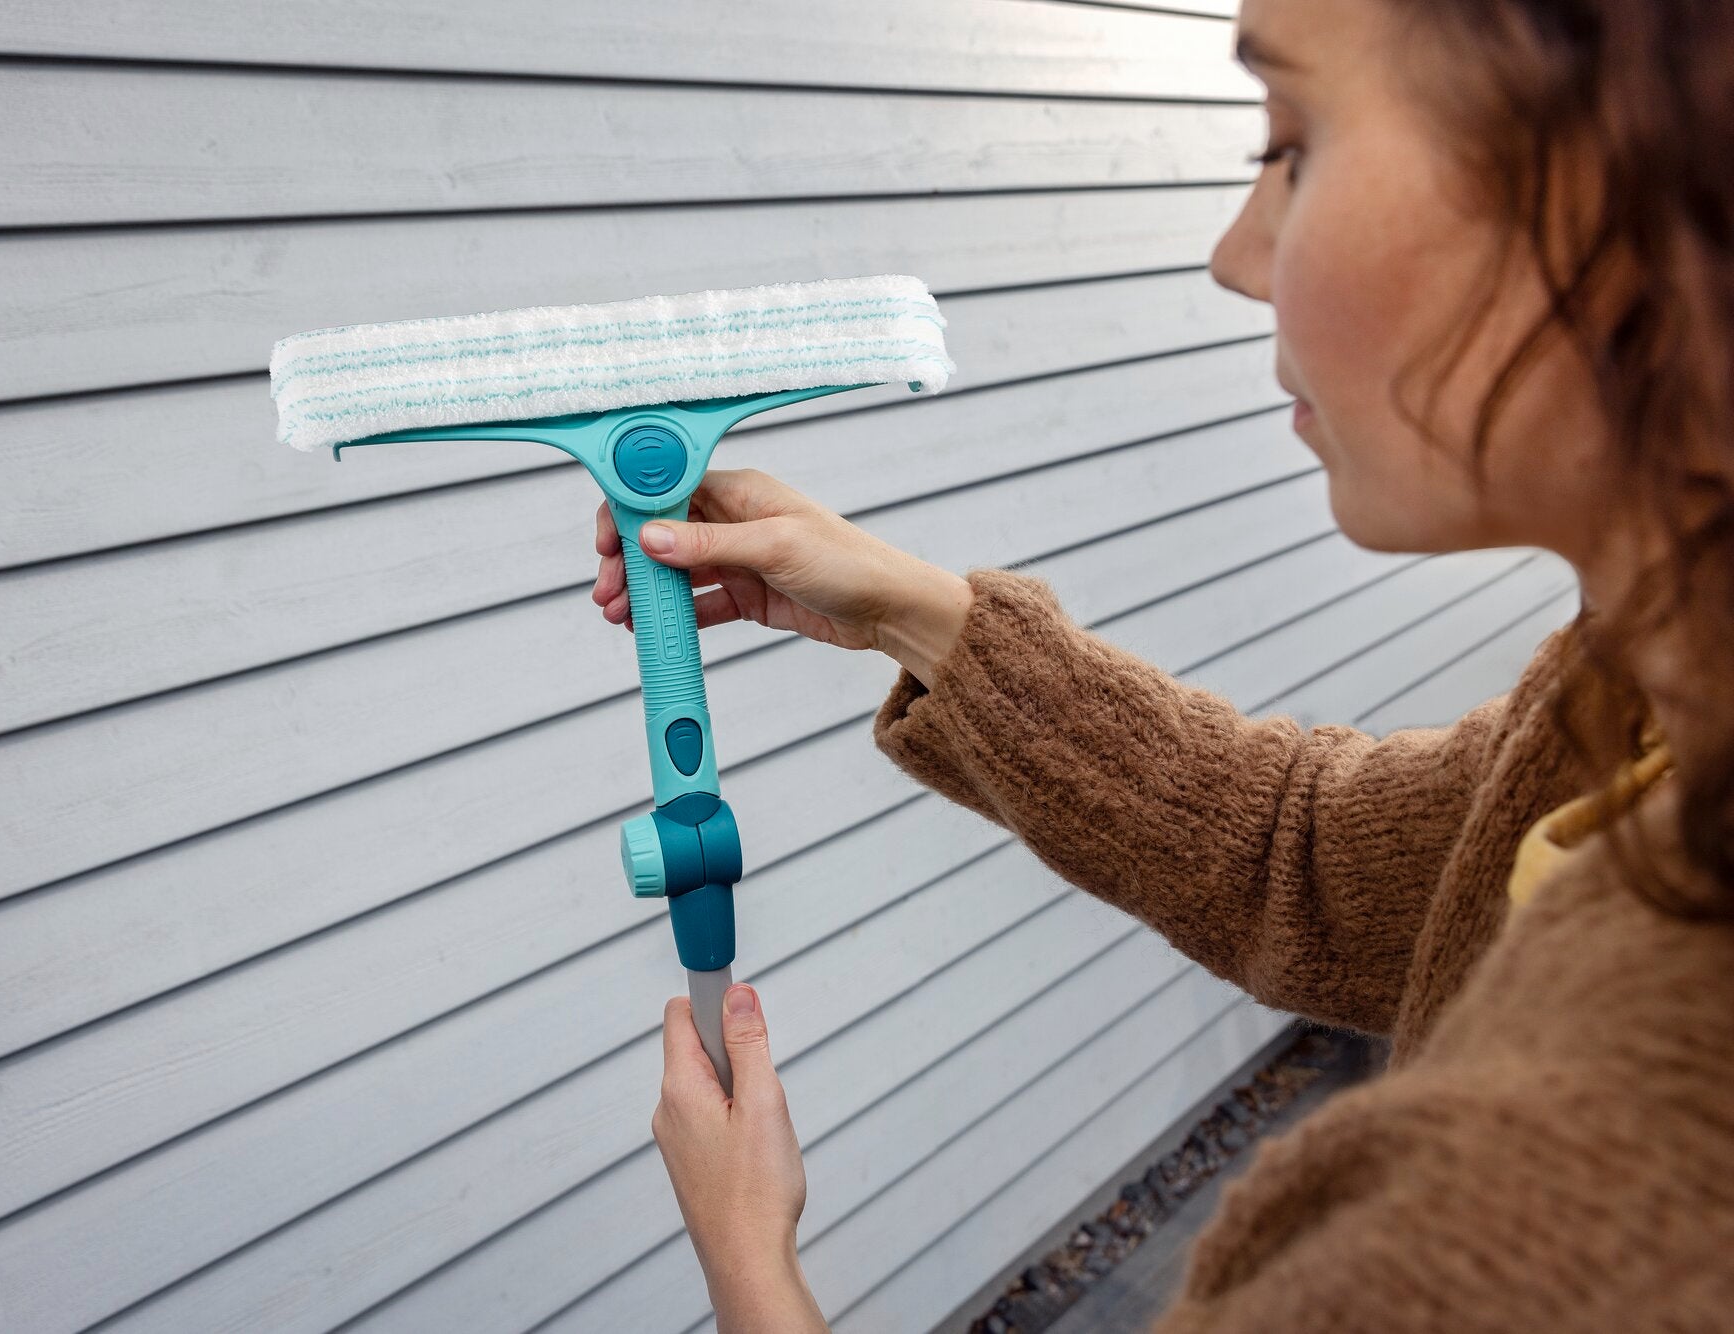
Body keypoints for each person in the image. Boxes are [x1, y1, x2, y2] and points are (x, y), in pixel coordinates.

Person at [590, 0, 1734, 1328]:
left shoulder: (1557, 1212)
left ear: (1642, 180)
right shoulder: (1643, 703)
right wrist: (920, 615)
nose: (1239, 255)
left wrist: (747, 1262)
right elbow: (1307, 854)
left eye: (1294, 143)